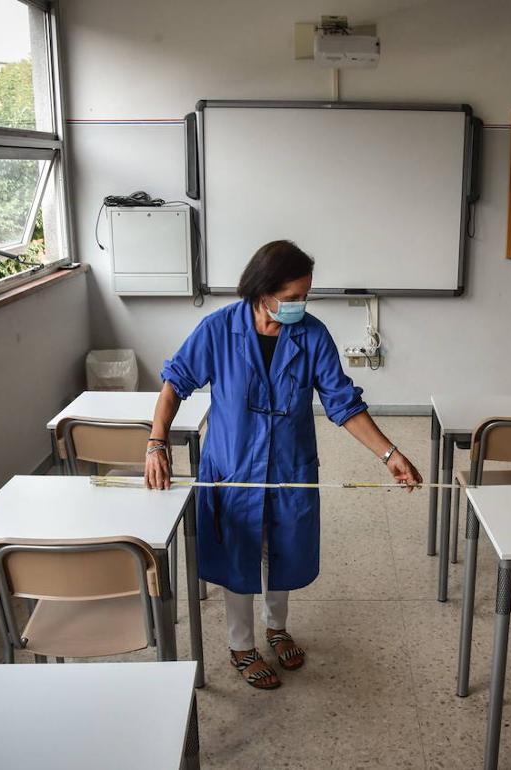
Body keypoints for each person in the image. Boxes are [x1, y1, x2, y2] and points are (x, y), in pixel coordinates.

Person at [145, 240, 423, 689]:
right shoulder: (218, 330)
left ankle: (276, 628)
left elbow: (342, 403)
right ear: (262, 290)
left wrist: (389, 454)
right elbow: (175, 382)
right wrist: (156, 443)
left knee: (283, 548)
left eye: (305, 296)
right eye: (292, 298)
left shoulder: (312, 335)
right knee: (238, 553)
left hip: (290, 466)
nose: (300, 305)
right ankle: (240, 645)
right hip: (233, 467)